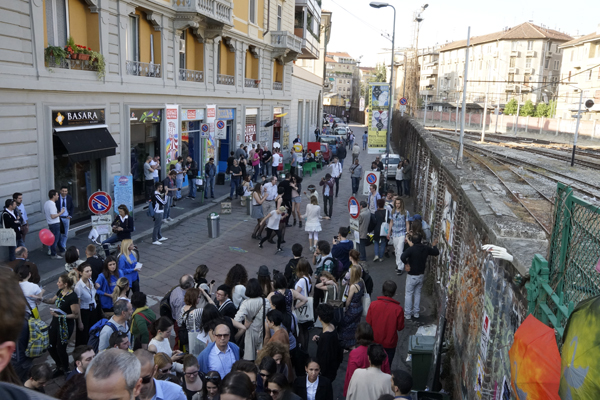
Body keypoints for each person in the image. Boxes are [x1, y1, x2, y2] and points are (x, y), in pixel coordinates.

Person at [37, 273, 79, 377]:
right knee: (50, 345)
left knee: (61, 348)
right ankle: (59, 365)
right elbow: (52, 300)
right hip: (55, 323)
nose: (57, 283)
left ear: (65, 284)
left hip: (65, 326)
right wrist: (41, 299)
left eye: (59, 282)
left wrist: (61, 316)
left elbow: (75, 315)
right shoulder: (60, 291)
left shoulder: (72, 297)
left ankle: (66, 369)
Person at [343, 322, 391, 396]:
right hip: (377, 390)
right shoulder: (381, 351)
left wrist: (348, 393)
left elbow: (351, 377)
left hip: (360, 390)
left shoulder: (355, 354)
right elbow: (387, 372)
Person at [366, 280, 404, 366]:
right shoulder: (398, 309)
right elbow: (400, 327)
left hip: (374, 340)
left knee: (373, 365)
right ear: (394, 293)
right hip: (390, 343)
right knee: (387, 366)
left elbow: (368, 322)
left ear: (382, 291)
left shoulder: (373, 305)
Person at [401, 234, 439, 320]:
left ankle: (407, 313)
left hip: (412, 275)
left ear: (413, 241)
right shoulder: (425, 248)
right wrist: (434, 245)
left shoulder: (411, 249)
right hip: (421, 274)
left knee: (409, 294)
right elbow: (436, 252)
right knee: (417, 293)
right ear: (421, 240)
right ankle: (416, 313)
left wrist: (406, 264)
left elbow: (402, 257)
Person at [235, 279, 268, 360]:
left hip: (250, 332)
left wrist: (243, 327)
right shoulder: (265, 301)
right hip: (263, 332)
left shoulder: (246, 303)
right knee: (262, 358)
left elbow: (237, 319)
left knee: (250, 358)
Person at [312, 304, 342, 383]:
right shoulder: (332, 326)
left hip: (326, 371)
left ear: (319, 318)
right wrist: (319, 339)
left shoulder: (326, 336)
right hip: (333, 365)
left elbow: (324, 357)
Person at [179, 288, 210, 357]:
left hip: (186, 338)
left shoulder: (183, 308)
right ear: (194, 298)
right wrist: (205, 294)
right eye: (199, 297)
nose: (200, 298)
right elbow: (213, 308)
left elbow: (179, 323)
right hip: (196, 340)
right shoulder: (198, 312)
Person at [339, 266, 365, 349]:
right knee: (354, 326)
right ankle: (353, 343)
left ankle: (347, 345)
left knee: (345, 325)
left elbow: (349, 300)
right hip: (359, 307)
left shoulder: (353, 286)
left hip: (352, 309)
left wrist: (345, 308)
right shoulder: (361, 282)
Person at [75, 263, 99, 346]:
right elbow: (78, 305)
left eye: (90, 270)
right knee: (85, 335)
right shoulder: (78, 287)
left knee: (94, 331)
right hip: (85, 312)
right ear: (81, 273)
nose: (89, 273)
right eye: (87, 271)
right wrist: (80, 321)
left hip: (93, 310)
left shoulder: (90, 281)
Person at [389, 198, 410, 275]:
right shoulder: (392, 211)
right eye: (396, 203)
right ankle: (398, 264)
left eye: (398, 203)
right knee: (396, 251)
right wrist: (389, 232)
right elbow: (391, 222)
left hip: (402, 233)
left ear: (401, 204)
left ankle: (400, 268)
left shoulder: (405, 212)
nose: (397, 205)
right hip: (394, 233)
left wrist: (407, 234)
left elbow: (407, 223)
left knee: (400, 250)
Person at [44, 190, 64, 259]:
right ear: (53, 196)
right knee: (55, 239)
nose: (58, 196)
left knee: (58, 238)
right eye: (57, 195)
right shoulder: (52, 204)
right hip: (55, 224)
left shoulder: (46, 203)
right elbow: (53, 216)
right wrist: (61, 212)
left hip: (51, 224)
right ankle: (53, 254)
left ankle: (62, 250)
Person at [56, 186, 73, 254]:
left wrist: (70, 215)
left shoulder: (69, 197)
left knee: (65, 233)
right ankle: (58, 246)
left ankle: (63, 246)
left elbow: (72, 207)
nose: (64, 192)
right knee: (58, 233)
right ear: (60, 191)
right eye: (63, 191)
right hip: (59, 217)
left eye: (65, 191)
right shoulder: (57, 197)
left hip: (66, 217)